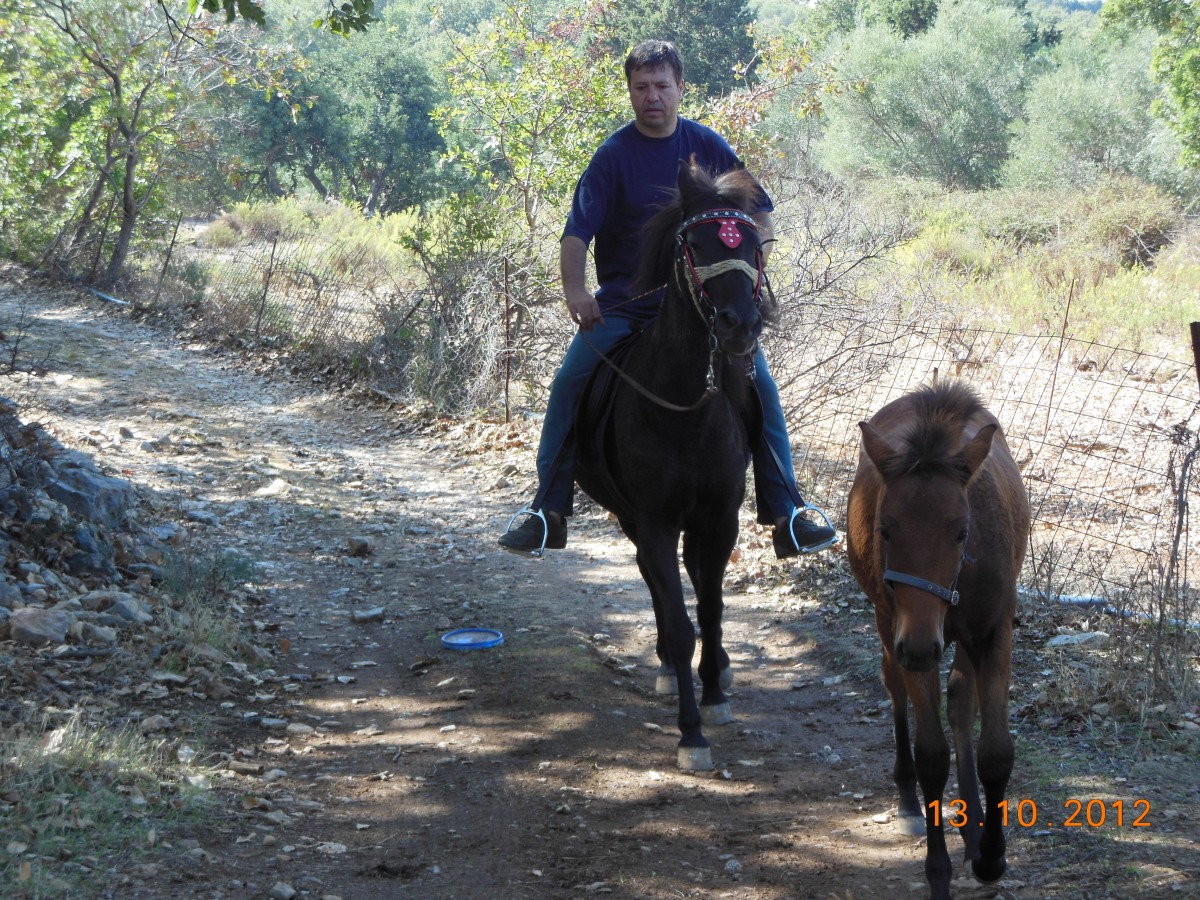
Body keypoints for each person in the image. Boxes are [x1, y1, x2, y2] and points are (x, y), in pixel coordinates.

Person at [499, 39, 836, 558]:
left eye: (661, 85)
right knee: (569, 382)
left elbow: (759, 216)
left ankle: (788, 511)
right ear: (630, 92)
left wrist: (754, 261)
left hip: (705, 311)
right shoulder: (612, 157)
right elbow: (575, 235)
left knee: (760, 385)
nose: (652, 96)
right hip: (625, 309)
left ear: (681, 87)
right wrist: (575, 291)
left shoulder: (710, 145)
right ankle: (548, 508)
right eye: (641, 87)